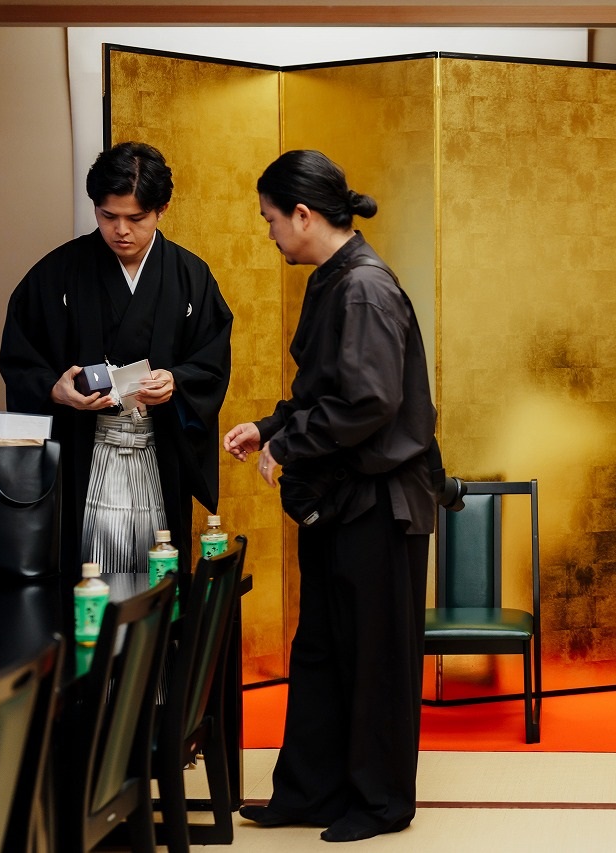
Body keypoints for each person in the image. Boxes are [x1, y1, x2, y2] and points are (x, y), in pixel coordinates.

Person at [223, 150, 436, 843]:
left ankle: (379, 802)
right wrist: (272, 424)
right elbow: (323, 392)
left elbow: (370, 402)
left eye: (271, 220)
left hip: (379, 504)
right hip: (343, 499)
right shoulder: (331, 279)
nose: (270, 233)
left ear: (304, 215)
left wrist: (289, 444)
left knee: (374, 656)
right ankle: (312, 789)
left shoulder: (365, 287)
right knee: (321, 648)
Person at [0, 141, 233, 577]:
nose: (120, 230)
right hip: (83, 451)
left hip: (155, 447)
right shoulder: (58, 273)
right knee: (85, 572)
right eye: (108, 216)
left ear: (162, 208)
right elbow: (19, 356)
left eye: (136, 218)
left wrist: (176, 381)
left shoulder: (190, 276)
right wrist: (56, 389)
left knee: (159, 573)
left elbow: (211, 361)